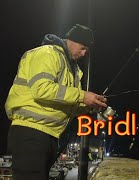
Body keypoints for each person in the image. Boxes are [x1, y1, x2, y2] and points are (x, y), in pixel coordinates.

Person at [5, 24, 107, 180]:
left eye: (87, 50)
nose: (84, 53)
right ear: (71, 40)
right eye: (82, 47)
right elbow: (41, 89)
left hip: (48, 135)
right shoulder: (47, 53)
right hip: (31, 132)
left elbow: (67, 101)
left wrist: (91, 106)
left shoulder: (71, 68)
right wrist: (82, 96)